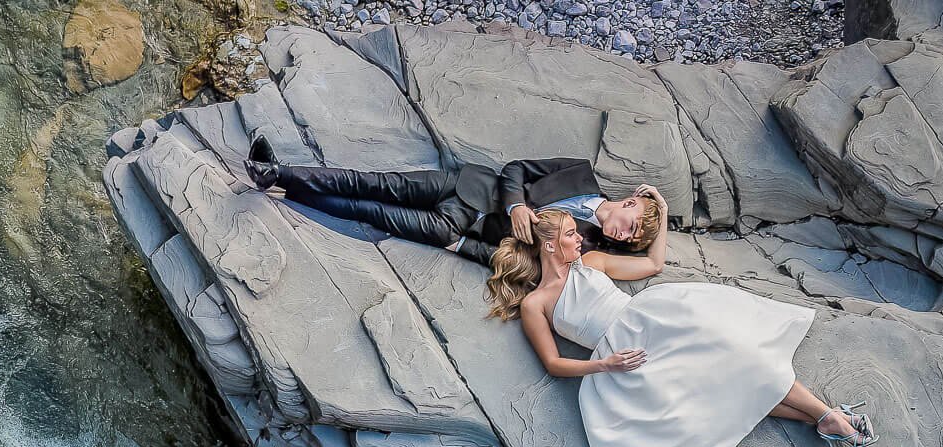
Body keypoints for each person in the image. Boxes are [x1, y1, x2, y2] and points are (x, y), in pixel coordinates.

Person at [486, 201, 875, 447]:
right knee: (719, 392)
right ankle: (827, 419)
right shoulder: (536, 303)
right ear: (550, 246)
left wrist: (665, 209)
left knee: (741, 358)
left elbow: (652, 266)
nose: (579, 238)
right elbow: (554, 364)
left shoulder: (593, 262)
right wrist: (604, 365)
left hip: (654, 319)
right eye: (571, 234)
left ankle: (825, 416)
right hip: (621, 354)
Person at [243, 140, 662, 266]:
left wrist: (465, 248)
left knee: (369, 212)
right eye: (630, 224)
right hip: (466, 185)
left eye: (628, 238)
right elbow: (516, 166)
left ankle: (288, 188)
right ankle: (277, 173)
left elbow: (529, 266)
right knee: (373, 184)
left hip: (458, 230)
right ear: (629, 202)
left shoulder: (587, 246)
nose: (622, 235)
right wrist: (516, 206)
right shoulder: (580, 172)